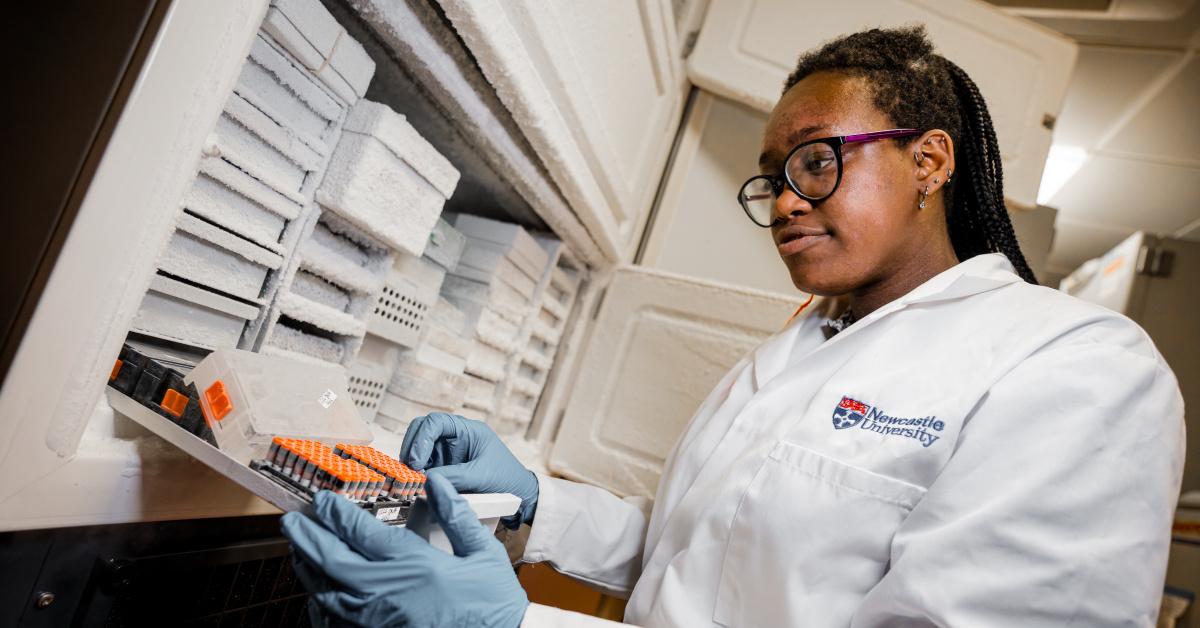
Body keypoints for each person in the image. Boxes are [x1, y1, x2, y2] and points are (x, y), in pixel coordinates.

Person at [280, 26, 1185, 627]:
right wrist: (536, 505)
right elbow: (700, 557)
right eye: (772, 176)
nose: (786, 198)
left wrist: (515, 625)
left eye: (817, 160)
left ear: (930, 159)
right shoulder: (802, 347)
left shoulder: (1077, 368)